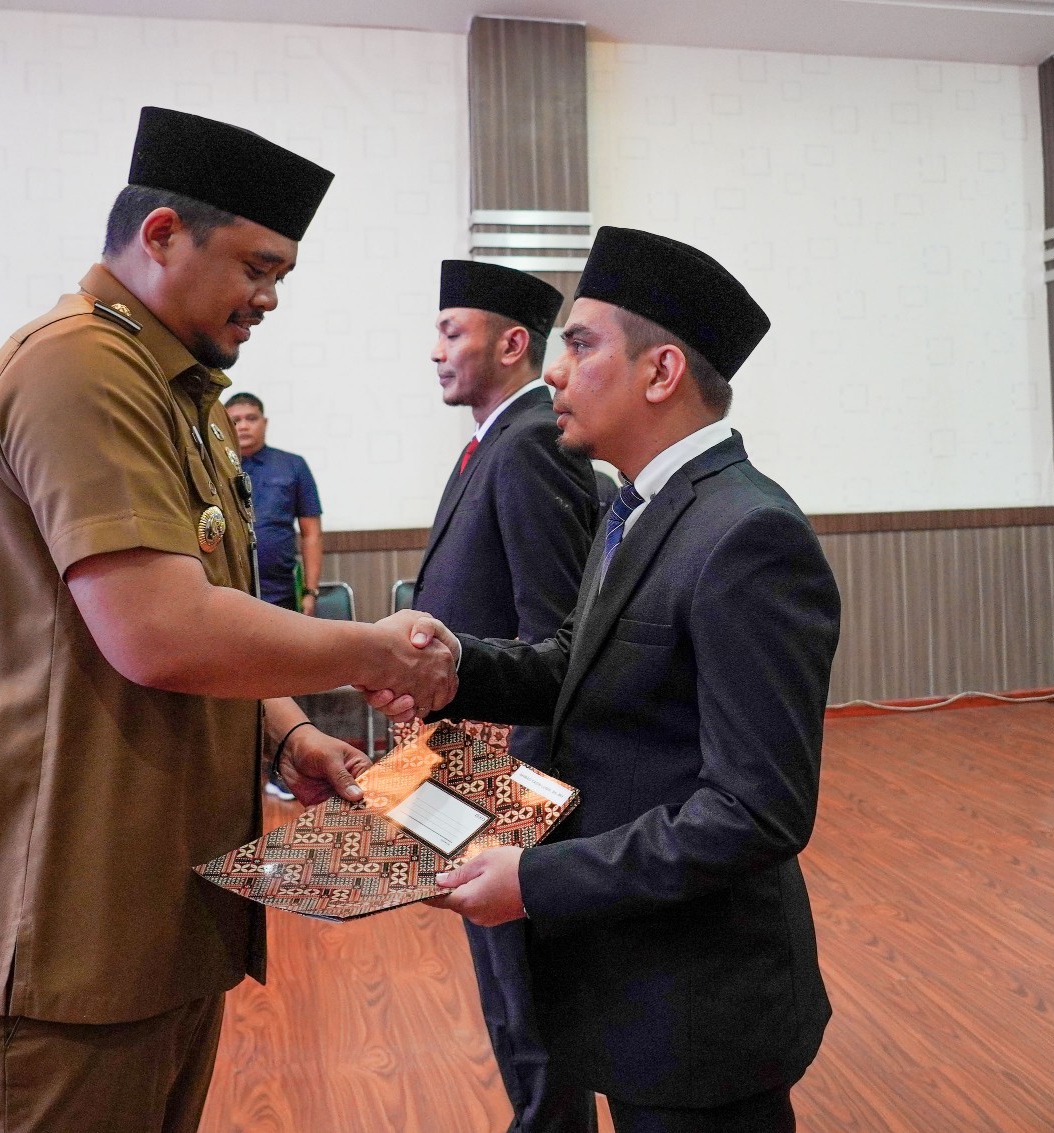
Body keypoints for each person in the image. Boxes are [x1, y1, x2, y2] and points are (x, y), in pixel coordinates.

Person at [0, 107, 459, 1133]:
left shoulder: (179, 388)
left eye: (280, 274)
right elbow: (160, 629)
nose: (268, 298)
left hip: (145, 915)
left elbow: (207, 610)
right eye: (254, 266)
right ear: (159, 235)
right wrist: (375, 647)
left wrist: (285, 729)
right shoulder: (81, 366)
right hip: (59, 925)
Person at [370, 226, 841, 1132]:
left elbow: (755, 812)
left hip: (698, 998)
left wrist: (537, 880)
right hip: (632, 966)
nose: (552, 372)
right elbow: (571, 666)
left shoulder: (746, 535)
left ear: (660, 372)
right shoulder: (637, 503)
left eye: (579, 345)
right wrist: (450, 667)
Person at [414, 260, 598, 1133]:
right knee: (502, 993)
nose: (436, 351)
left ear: (512, 342)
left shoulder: (528, 442)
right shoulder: (493, 436)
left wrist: (502, 798)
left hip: (495, 765)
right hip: (457, 748)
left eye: (453, 330)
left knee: (523, 996)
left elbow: (552, 634)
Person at [224, 392, 323, 615]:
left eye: (251, 418)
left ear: (264, 422)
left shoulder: (292, 465)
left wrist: (310, 591)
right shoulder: (214, 467)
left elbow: (312, 534)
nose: (243, 426)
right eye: (235, 421)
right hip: (229, 591)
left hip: (282, 590)